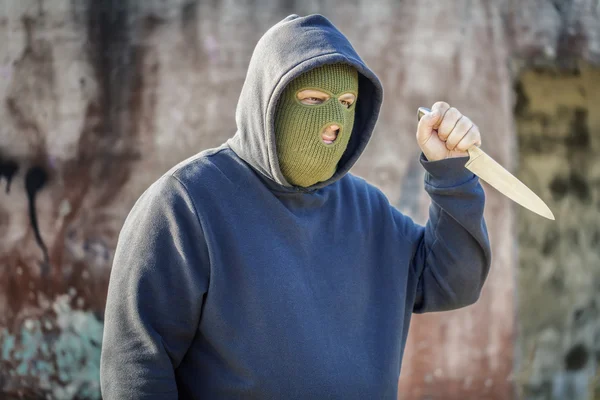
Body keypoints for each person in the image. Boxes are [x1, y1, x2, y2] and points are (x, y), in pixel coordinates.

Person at [100, 13, 491, 399]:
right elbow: (137, 367)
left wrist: (450, 172)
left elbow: (452, 281)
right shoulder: (185, 203)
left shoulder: (367, 210)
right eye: (314, 99)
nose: (334, 121)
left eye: (347, 102)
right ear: (269, 101)